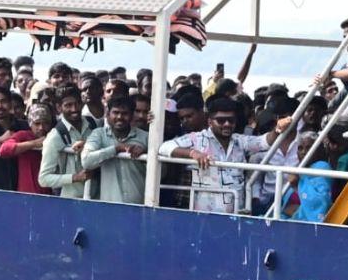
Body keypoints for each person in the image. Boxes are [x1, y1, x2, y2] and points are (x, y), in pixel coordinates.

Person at [159, 96, 288, 214]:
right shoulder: (197, 139)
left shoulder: (240, 141)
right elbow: (164, 147)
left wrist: (277, 129)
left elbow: (263, 142)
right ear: (210, 122)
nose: (227, 124)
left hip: (236, 214)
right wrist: (193, 153)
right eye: (221, 120)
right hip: (205, 216)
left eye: (231, 120)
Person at [82, 95, 149, 204]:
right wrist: (116, 149)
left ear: (132, 116)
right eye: (115, 112)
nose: (119, 117)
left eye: (124, 113)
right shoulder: (99, 134)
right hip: (109, 207)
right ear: (108, 114)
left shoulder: (146, 137)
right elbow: (86, 161)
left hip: (139, 206)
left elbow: (162, 173)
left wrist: (145, 154)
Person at [39, 85, 96, 198]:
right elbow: (44, 179)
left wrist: (88, 144)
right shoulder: (55, 136)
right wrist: (75, 177)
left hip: (98, 197)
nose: (74, 109)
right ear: (59, 107)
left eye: (77, 103)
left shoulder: (92, 124)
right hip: (71, 200)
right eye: (68, 105)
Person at [0, 104, 53, 194]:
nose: (41, 128)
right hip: (26, 192)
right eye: (37, 123)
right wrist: (33, 144)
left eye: (45, 123)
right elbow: (3, 150)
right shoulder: (24, 135)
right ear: (30, 123)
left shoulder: (54, 136)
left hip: (49, 192)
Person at [280, 132, 333, 222]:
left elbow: (319, 202)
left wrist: (296, 185)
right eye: (300, 148)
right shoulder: (299, 170)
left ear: (318, 150)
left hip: (302, 222)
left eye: (309, 148)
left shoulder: (322, 167)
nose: (303, 152)